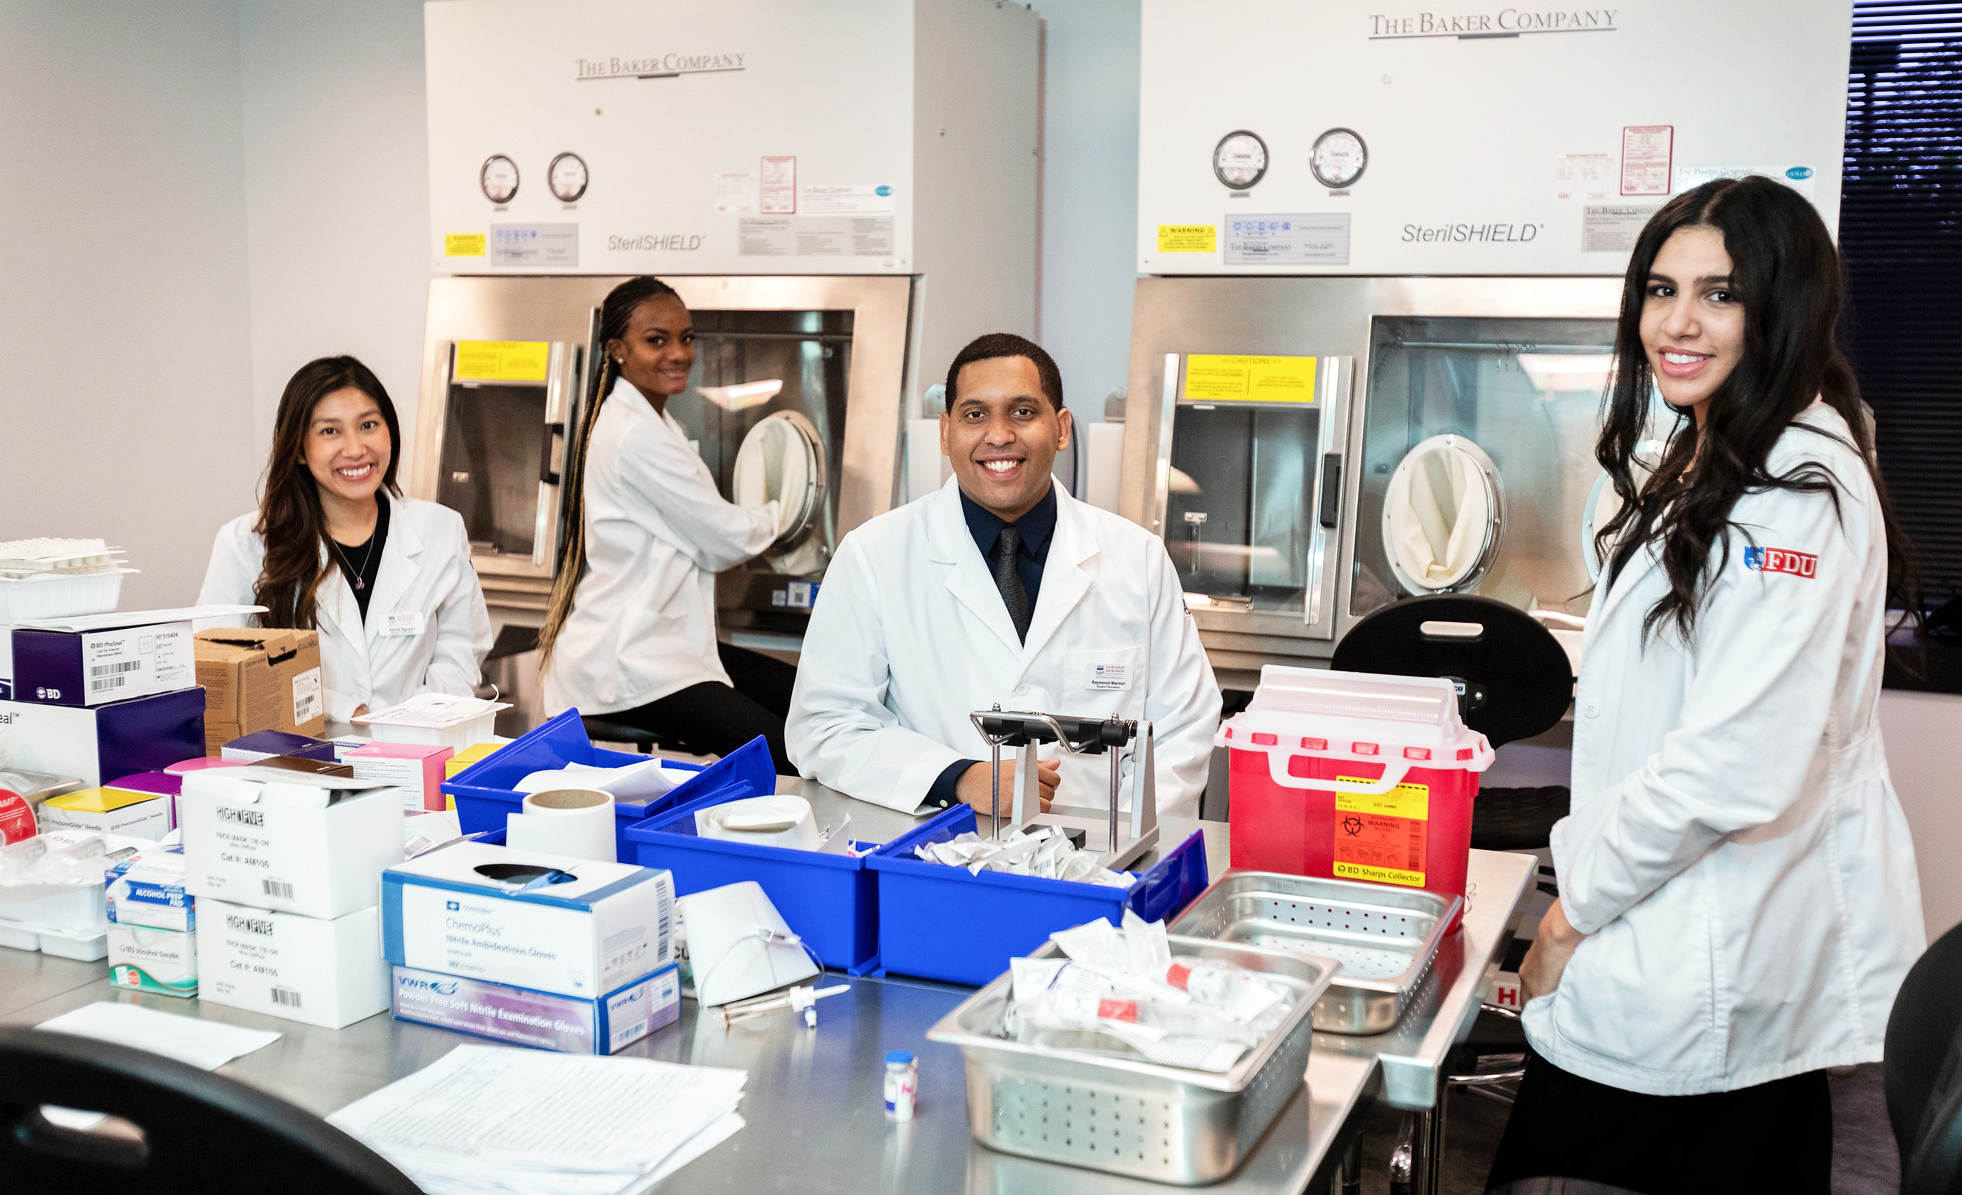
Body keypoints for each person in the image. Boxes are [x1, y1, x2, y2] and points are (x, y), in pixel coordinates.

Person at [1487, 176, 1926, 1193]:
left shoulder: (1795, 493)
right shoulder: (1714, 450)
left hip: (1708, 959)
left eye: (1720, 295)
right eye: (1660, 288)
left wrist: (1565, 917)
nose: (1677, 323)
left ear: (1785, 308)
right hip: (1679, 940)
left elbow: (1733, 765)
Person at [786, 332, 1221, 818]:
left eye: (1022, 412)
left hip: (1103, 864)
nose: (998, 436)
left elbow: (1185, 724)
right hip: (938, 853)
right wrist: (957, 777)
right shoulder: (874, 555)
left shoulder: (1137, 558)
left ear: (1061, 428)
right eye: (975, 416)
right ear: (945, 432)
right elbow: (825, 725)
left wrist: (1113, 839)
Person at [537, 276, 797, 771]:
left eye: (686, 337)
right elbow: (723, 539)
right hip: (628, 661)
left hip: (659, 640)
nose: (678, 353)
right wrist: (791, 505)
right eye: (656, 340)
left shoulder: (651, 421)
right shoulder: (636, 435)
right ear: (617, 349)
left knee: (806, 698)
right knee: (789, 748)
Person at [199, 356, 492, 722]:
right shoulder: (246, 543)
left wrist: (416, 718)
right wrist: (344, 710)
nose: (355, 449)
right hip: (296, 759)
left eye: (368, 425)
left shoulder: (440, 529)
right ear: (300, 450)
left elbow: (461, 649)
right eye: (329, 431)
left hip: (416, 750)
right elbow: (217, 662)